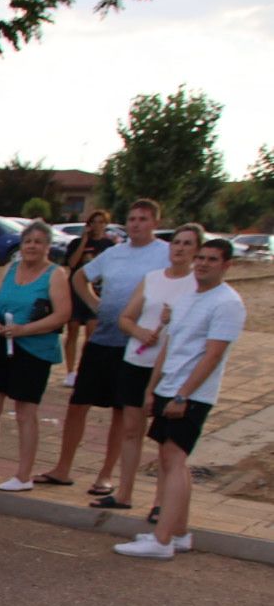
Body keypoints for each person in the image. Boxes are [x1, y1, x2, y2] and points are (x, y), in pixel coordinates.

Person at [116, 239, 245, 559]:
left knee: (173, 460)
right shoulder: (188, 297)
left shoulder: (227, 303)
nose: (203, 263)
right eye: (200, 257)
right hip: (168, 388)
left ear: (226, 265)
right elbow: (170, 347)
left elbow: (212, 355)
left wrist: (184, 394)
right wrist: (152, 389)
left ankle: (161, 541)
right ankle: (179, 533)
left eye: (212, 259)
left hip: (191, 394)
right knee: (171, 460)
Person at [39, 199, 171, 492]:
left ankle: (106, 474)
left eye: (143, 219)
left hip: (136, 343)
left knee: (121, 411)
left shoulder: (164, 255)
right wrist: (95, 305)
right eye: (132, 218)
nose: (136, 224)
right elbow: (80, 277)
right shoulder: (114, 252)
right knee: (77, 404)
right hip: (102, 339)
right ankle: (63, 468)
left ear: (155, 223)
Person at [0, 220, 72, 491]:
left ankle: (24, 475)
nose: (32, 246)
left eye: (38, 242)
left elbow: (62, 315)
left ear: (47, 246)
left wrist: (25, 330)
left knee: (25, 412)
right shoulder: (9, 269)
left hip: (33, 349)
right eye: (28, 241)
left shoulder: (55, 275)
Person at [107, 223, 205, 517]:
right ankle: (123, 493)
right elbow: (125, 317)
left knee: (165, 441)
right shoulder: (151, 279)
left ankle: (161, 503)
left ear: (197, 251)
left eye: (188, 244)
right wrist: (139, 332)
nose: (180, 248)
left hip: (171, 371)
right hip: (137, 362)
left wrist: (173, 321)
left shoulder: (196, 286)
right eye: (177, 242)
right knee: (131, 430)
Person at [61, 210, 115, 386]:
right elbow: (71, 264)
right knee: (73, 331)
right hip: (76, 292)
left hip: (97, 293)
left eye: (101, 222)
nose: (97, 225)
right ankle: (70, 372)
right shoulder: (77, 243)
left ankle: (85, 368)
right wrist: (83, 241)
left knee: (91, 333)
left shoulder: (109, 245)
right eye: (94, 222)